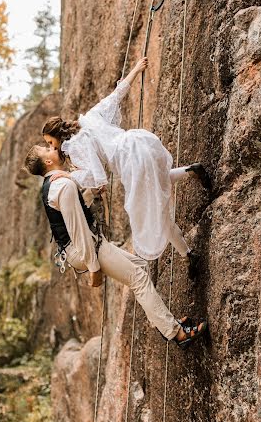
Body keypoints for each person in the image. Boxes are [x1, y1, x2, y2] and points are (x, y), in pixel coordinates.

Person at [23, 143, 206, 349]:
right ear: (48, 162)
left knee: (141, 267)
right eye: (47, 149)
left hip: (88, 243)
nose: (52, 147)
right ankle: (177, 333)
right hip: (84, 247)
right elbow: (77, 229)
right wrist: (93, 268)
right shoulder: (61, 186)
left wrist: (92, 193)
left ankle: (164, 324)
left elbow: (73, 210)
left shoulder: (58, 183)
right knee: (138, 278)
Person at [41, 57, 212, 277]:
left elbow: (98, 177)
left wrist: (70, 176)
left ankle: (189, 255)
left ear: (57, 136)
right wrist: (135, 70)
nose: (51, 147)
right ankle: (191, 170)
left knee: (155, 212)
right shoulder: (90, 117)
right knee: (158, 183)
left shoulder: (73, 146)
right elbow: (116, 95)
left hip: (129, 161)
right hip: (139, 142)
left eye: (50, 142)